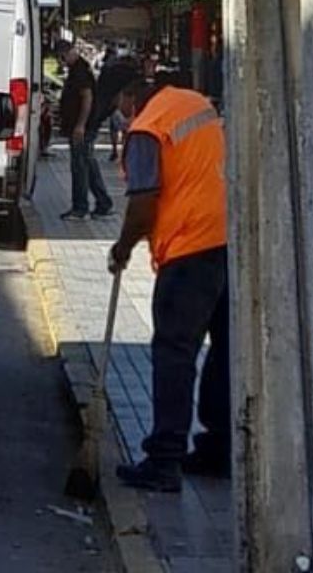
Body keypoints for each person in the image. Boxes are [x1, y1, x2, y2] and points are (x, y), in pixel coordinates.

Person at [109, 77, 230, 493]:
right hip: (225, 239)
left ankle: (165, 459)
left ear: (130, 99)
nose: (125, 117)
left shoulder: (147, 128)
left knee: (174, 353)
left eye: (123, 107)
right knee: (224, 350)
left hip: (189, 249)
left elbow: (142, 205)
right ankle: (218, 448)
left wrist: (122, 248)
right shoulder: (197, 103)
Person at [58, 38, 114, 220]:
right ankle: (103, 203)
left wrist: (80, 125)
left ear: (66, 53)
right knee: (88, 164)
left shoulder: (80, 70)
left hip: (83, 127)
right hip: (84, 125)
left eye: (62, 58)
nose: (62, 62)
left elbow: (87, 97)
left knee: (80, 166)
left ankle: (80, 207)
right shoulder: (79, 68)